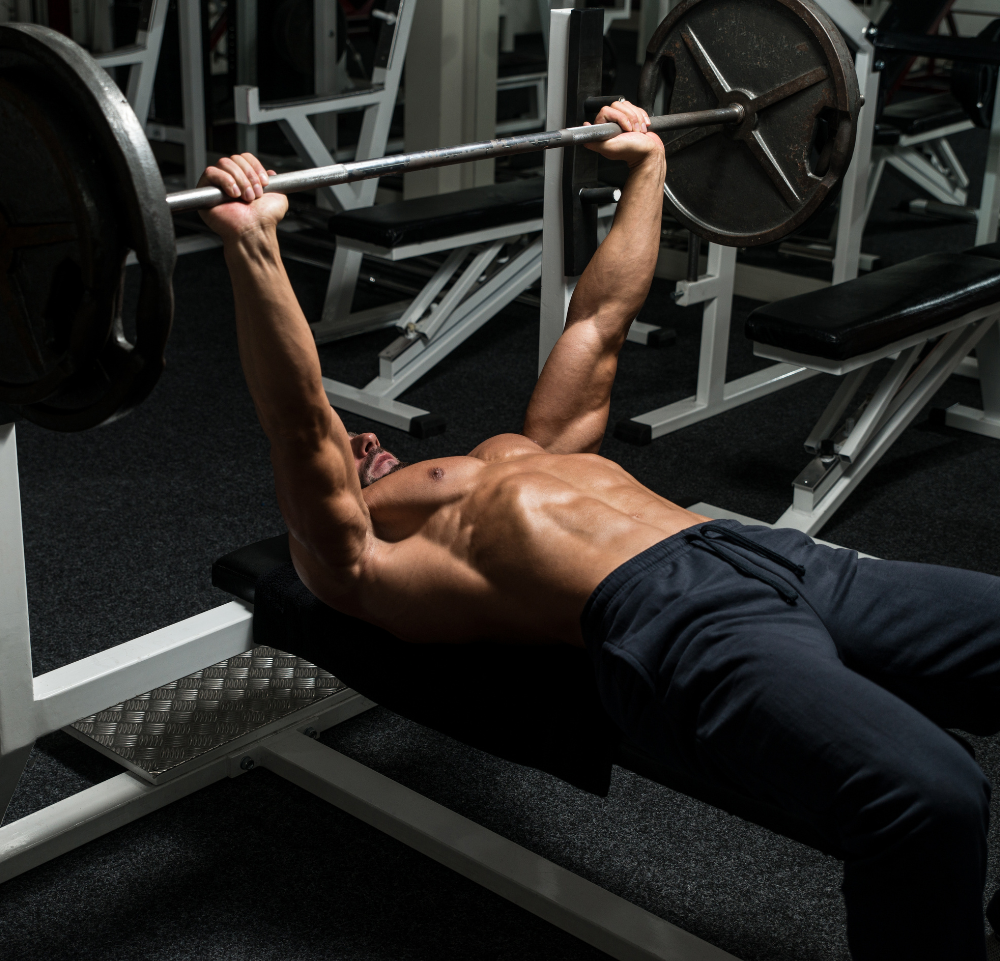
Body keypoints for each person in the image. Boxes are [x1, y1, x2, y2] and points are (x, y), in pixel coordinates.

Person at [200, 102, 999, 961]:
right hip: (678, 625)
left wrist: (647, 170)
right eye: (350, 457)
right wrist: (255, 245)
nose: (366, 440)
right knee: (935, 797)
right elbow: (298, 417)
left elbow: (598, 323)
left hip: (771, 554)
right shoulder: (360, 557)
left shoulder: (521, 453)